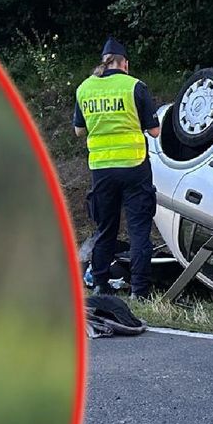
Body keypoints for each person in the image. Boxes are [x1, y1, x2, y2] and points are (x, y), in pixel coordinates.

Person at [74, 37, 161, 298]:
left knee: (105, 229)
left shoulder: (84, 88)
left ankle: (100, 285)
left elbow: (79, 131)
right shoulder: (134, 86)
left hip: (102, 170)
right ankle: (139, 290)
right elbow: (155, 131)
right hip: (134, 168)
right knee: (138, 230)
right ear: (125, 64)